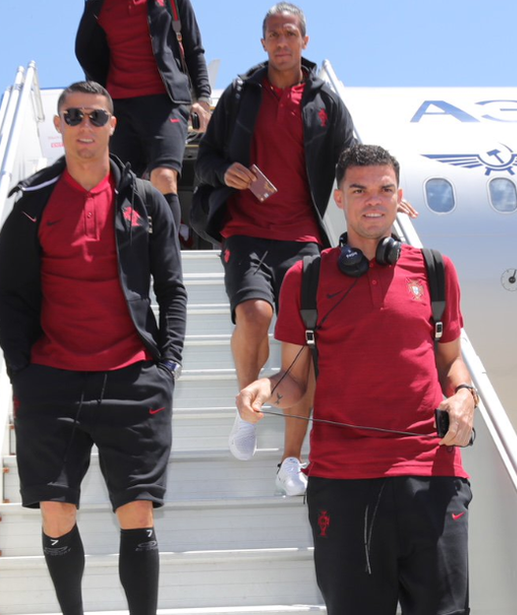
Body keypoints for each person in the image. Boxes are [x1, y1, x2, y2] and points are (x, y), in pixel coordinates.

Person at [235, 144, 475, 615]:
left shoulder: (434, 270)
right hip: (343, 484)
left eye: (385, 189)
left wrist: (465, 395)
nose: (373, 200)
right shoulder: (305, 278)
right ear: (340, 199)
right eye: (359, 189)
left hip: (432, 474)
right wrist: (265, 387)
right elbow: (294, 381)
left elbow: (453, 363)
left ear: (398, 196)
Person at [194, 3, 416, 495]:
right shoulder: (239, 93)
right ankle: (247, 413)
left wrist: (385, 197)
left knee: (305, 348)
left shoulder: (323, 101)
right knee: (253, 315)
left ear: (304, 42)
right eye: (272, 35)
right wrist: (224, 172)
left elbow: (354, 157)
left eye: (289, 34)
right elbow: (206, 158)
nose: (281, 42)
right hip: (246, 230)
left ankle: (292, 459)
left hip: (302, 237)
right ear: (263, 42)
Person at [0, 81, 187, 615]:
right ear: (58, 125)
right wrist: (20, 370)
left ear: (112, 126)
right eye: (73, 116)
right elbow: (4, 292)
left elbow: (171, 288)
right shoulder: (33, 204)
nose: (85, 127)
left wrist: (167, 364)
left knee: (137, 514)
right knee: (56, 512)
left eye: (96, 117)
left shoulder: (143, 199)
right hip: (51, 380)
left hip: (131, 377)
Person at [76, 0, 212, 240]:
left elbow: (193, 47)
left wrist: (202, 97)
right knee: (124, 188)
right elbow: (90, 50)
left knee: (164, 176)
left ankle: (169, 263)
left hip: (166, 101)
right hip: (118, 107)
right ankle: (133, 262)